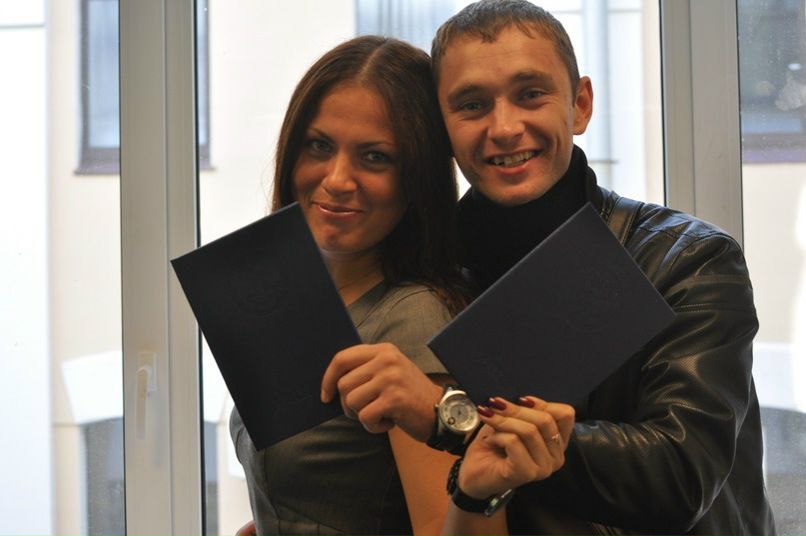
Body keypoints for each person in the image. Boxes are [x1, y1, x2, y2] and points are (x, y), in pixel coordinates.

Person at [321, 2, 777, 535]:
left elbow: (680, 476)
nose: (504, 127)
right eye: (472, 105)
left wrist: (450, 417)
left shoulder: (686, 260)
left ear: (580, 105)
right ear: (442, 129)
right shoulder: (425, 277)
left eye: (531, 94)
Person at [231, 35, 574, 536]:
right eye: (319, 145)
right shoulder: (305, 302)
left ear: (417, 178)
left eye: (375, 157)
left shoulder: (412, 318)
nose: (337, 179)